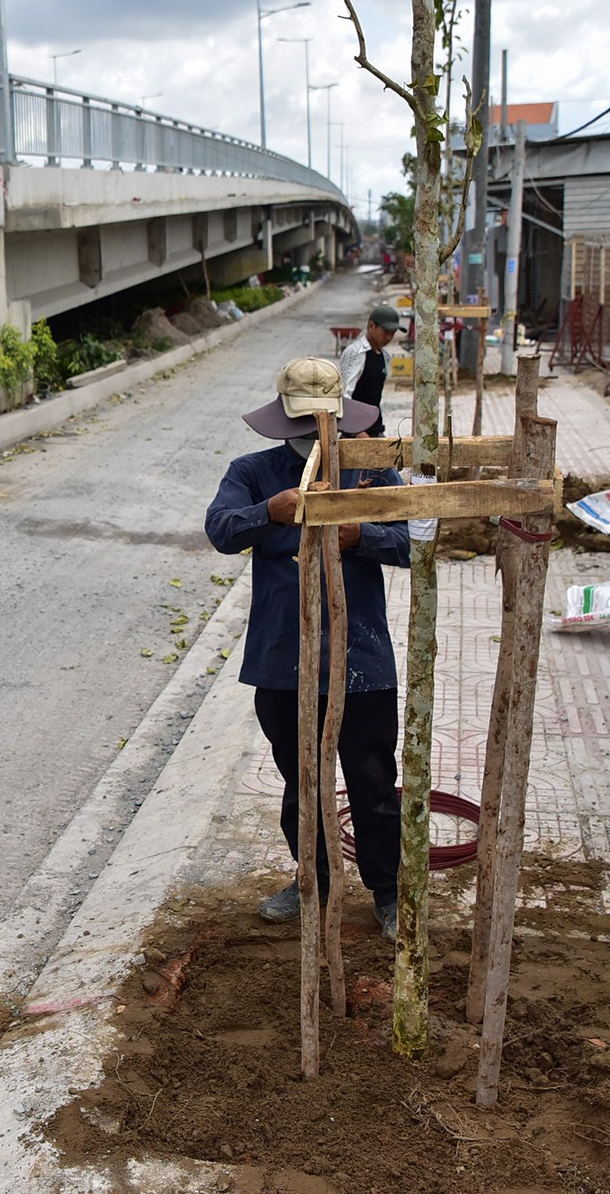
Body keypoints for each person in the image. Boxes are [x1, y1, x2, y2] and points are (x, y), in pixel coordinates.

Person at [204, 358, 409, 939]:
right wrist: (269, 513)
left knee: (371, 782)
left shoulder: (367, 473)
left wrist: (360, 535)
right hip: (283, 660)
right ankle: (311, 881)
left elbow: (412, 543)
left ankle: (388, 891)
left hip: (361, 659)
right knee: (302, 782)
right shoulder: (253, 472)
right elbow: (220, 530)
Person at [336, 301, 402, 437]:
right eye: (386, 332)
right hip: (355, 433)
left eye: (393, 333)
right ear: (371, 326)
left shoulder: (385, 356)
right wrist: (358, 432)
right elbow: (343, 398)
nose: (389, 337)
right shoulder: (356, 352)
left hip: (376, 429)